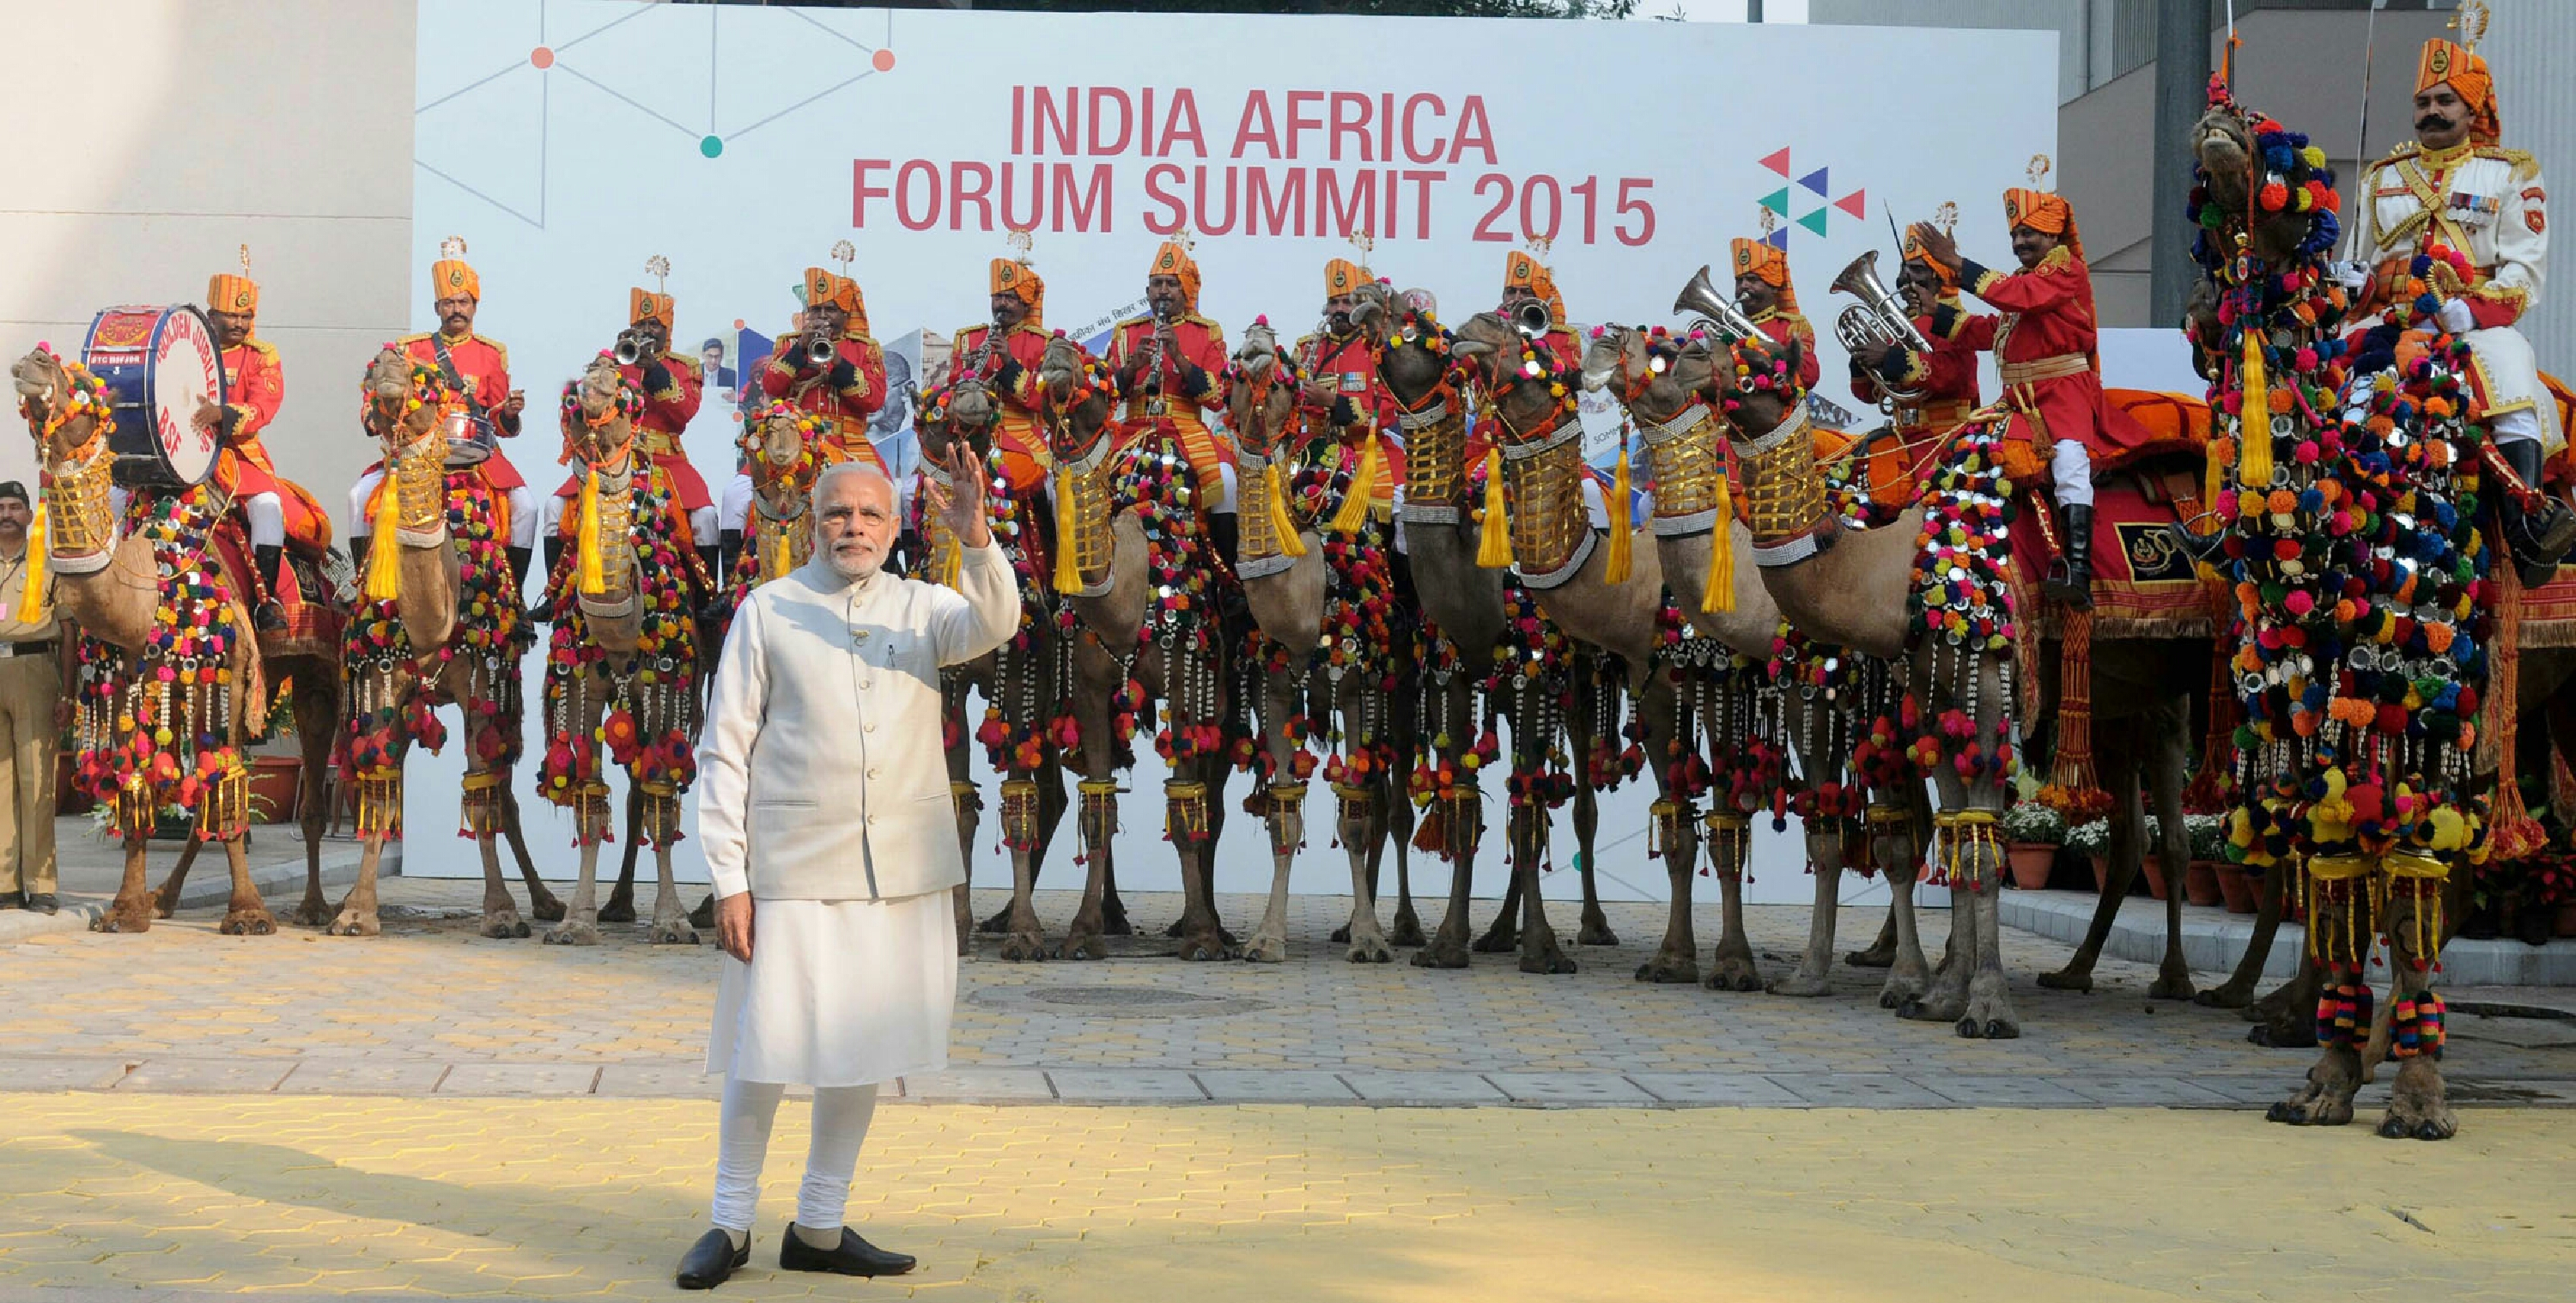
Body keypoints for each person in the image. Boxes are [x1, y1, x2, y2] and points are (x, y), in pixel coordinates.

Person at [677, 454, 1017, 1289]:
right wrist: (728, 877)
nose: (854, 527)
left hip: (900, 872)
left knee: (863, 1049)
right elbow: (723, 749)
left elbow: (997, 623)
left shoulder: (926, 607)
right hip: (791, 871)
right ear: (813, 523)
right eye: (838, 514)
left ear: (894, 527)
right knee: (765, 1046)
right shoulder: (768, 610)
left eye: (870, 514)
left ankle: (819, 1224)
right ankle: (729, 1219)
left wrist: (977, 538)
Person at [2346, 27, 2566, 580]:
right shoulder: (2381, 178)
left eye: (2446, 101)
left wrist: (2473, 310)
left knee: (2514, 380)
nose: (2432, 112)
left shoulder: (2511, 172)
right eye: (2424, 103)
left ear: (2473, 110)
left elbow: (2523, 270)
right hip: (2390, 323)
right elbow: (2362, 266)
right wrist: (2352, 284)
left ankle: (2527, 528)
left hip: (2475, 322)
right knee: (2336, 391)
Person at [1911, 177, 2149, 607]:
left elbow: (2017, 295)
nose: (2019, 242)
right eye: (2015, 236)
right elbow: (1989, 330)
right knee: (1967, 449)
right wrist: (1937, 313)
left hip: (2064, 396)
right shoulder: (2026, 284)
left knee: (2071, 464)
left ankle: (2079, 574)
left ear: (2053, 235)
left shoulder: (2064, 272)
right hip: (2017, 402)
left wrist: (1958, 265)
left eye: (2028, 234)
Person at [349, 239, 540, 600]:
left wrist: (509, 413)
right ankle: (364, 586)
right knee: (358, 497)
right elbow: (377, 395)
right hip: (417, 448)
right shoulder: (411, 351)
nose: (456, 310)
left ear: (474, 306)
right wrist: (375, 415)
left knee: (527, 508)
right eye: (449, 303)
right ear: (437, 306)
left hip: (475, 453)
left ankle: (515, 598)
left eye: (463, 302)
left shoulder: (490, 354)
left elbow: (497, 421)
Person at [544, 285, 719, 605]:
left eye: (655, 325)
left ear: (668, 330)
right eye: (642, 325)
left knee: (705, 517)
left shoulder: (684, 367)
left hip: (666, 462)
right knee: (555, 508)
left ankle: (709, 604)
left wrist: (652, 366)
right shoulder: (613, 364)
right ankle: (551, 596)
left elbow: (683, 413)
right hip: (614, 459)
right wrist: (605, 368)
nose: (647, 331)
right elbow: (584, 409)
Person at [1107, 241, 1234, 559]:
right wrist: (1132, 367)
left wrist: (1178, 356)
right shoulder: (1126, 332)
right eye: (1156, 284)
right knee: (1088, 480)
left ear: (1186, 290)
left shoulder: (1206, 332)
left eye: (1172, 284)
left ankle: (1229, 579)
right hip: (1132, 430)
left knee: (1227, 483)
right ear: (1147, 290)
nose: (1163, 291)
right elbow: (1106, 396)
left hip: (1187, 431)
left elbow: (1218, 397)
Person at [197, 261, 295, 630]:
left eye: (247, 316)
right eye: (232, 316)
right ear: (211, 315)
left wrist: (220, 413)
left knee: (268, 508)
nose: (240, 324)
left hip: (238, 456)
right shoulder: (184, 347)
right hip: (181, 452)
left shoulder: (260, 355)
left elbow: (262, 408)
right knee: (119, 498)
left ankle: (264, 603)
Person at [1849, 222, 1984, 442]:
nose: (1906, 277)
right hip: (1903, 438)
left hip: (1946, 440)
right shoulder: (1895, 323)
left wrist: (1888, 357)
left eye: (1918, 270)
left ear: (1938, 277)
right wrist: (1862, 361)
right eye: (1904, 268)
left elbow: (1953, 375)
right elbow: (1870, 395)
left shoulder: (1953, 319)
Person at [1295, 256, 1403, 523]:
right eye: (1334, 302)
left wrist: (1334, 401)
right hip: (1316, 447)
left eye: (1347, 302)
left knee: (1399, 502)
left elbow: (1388, 409)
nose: (1340, 309)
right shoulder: (1309, 349)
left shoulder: (1379, 348)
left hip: (1367, 447)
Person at [758, 269, 890, 473]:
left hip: (847, 444)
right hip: (796, 440)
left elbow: (874, 400)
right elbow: (771, 386)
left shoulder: (864, 348)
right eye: (815, 309)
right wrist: (800, 348)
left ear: (845, 314)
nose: (821, 316)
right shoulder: (788, 344)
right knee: (737, 492)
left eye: (830, 309)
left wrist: (838, 361)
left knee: (882, 492)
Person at [0, 484, 62, 915]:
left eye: (14, 507)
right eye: (0, 508)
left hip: (34, 667)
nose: (6, 514)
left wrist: (71, 692)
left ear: (27, 515)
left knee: (36, 779)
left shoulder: (46, 560)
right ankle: (4, 885)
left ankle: (40, 884)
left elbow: (71, 629)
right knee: (0, 785)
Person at [1729, 233, 1824, 390]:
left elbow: (1809, 376)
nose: (1744, 286)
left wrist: (1768, 352)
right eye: (1739, 281)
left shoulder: (1791, 327)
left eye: (1752, 280)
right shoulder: (1727, 328)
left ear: (1773, 287)